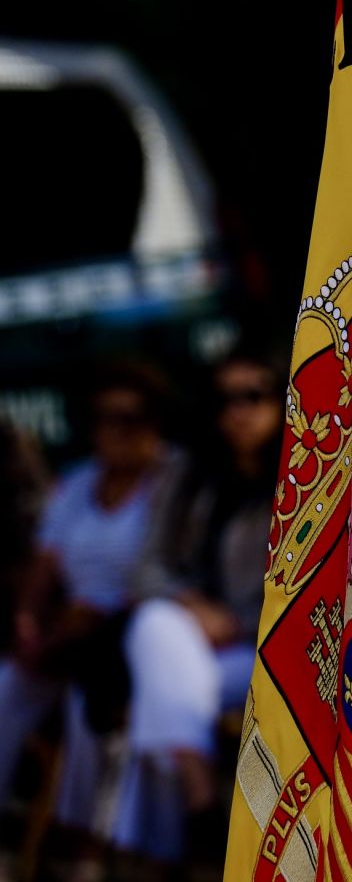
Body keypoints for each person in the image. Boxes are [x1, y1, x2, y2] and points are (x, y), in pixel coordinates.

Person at [108, 345, 283, 873]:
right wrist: (193, 605)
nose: (238, 411)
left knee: (157, 690)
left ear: (281, 399)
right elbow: (147, 569)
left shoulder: (303, 477)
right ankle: (201, 792)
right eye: (225, 399)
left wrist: (237, 624)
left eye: (252, 395)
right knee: (156, 624)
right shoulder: (190, 474)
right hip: (192, 645)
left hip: (266, 650)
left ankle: (163, 849)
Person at [0, 366, 178, 870]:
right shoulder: (78, 484)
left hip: (133, 633)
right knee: (6, 686)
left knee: (88, 701)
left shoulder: (172, 482)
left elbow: (164, 575)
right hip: (68, 631)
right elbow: (45, 564)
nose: (115, 430)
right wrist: (29, 622)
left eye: (130, 418)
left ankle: (83, 842)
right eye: (104, 418)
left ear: (154, 422)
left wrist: (82, 628)